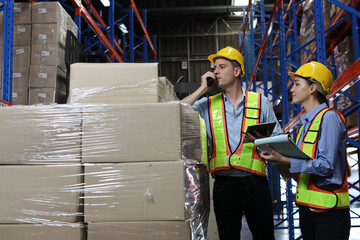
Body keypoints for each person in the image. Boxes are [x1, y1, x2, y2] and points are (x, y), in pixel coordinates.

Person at [182, 46, 282, 240]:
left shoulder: (261, 102)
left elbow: (277, 141)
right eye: (214, 68)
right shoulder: (207, 104)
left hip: (256, 184)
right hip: (224, 186)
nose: (215, 72)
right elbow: (178, 111)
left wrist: (264, 142)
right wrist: (202, 87)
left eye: (221, 67)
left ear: (236, 71)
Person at [260, 61, 351, 240]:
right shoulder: (304, 127)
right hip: (307, 211)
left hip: (329, 214)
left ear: (312, 88)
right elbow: (304, 172)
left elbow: (326, 166)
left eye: (297, 84)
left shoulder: (329, 118)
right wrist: (278, 159)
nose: (292, 89)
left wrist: (287, 160)